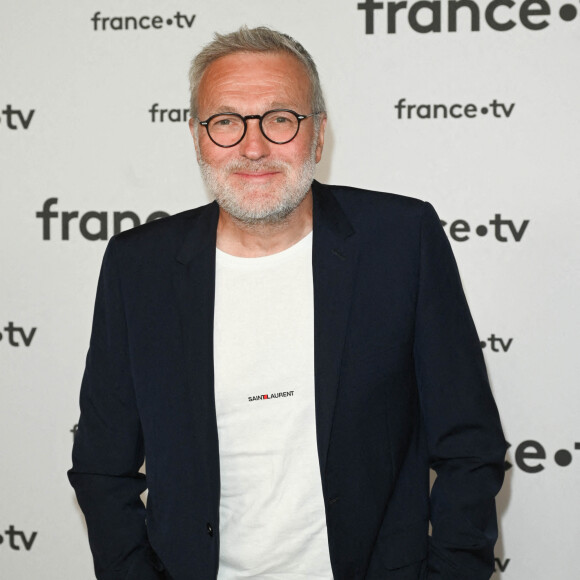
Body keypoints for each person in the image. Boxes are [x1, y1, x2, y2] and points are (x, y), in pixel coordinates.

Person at [68, 26, 506, 580]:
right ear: (196, 136)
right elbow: (103, 467)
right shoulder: (139, 267)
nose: (253, 147)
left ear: (318, 135)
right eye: (226, 121)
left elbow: (469, 444)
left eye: (280, 119)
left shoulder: (402, 241)